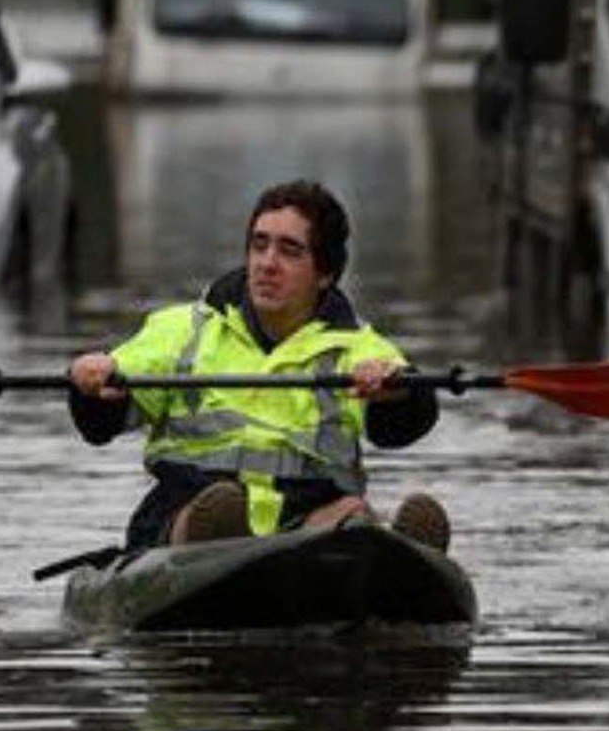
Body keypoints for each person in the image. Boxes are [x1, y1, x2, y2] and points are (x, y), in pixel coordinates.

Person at [69, 180, 450, 550]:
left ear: (325, 274)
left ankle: (397, 551)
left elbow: (403, 423)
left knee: (352, 513)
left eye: (290, 251)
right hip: (192, 514)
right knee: (216, 511)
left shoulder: (358, 348)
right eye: (259, 245)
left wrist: (394, 392)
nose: (268, 264)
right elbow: (103, 419)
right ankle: (222, 541)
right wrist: (92, 380)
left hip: (303, 521)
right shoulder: (184, 330)